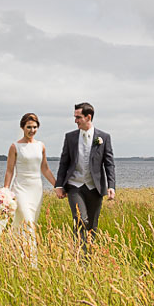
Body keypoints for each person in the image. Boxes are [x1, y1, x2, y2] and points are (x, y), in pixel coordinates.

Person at [54, 103, 116, 259]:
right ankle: (80, 256)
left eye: (78, 117)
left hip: (95, 187)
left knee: (92, 224)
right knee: (80, 219)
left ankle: (89, 255)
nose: (75, 120)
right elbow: (64, 162)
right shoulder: (70, 137)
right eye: (75, 117)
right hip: (75, 185)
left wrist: (111, 186)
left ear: (88, 117)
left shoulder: (104, 137)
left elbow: (109, 163)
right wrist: (59, 185)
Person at [0, 113, 57, 265]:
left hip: (36, 190)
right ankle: (32, 262)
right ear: (22, 127)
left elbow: (45, 169)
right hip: (20, 189)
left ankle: (16, 255)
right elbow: (10, 170)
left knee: (25, 225)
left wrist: (56, 185)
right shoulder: (15, 146)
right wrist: (6, 190)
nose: (32, 130)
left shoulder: (41, 146)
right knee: (28, 222)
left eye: (35, 127)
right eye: (29, 127)